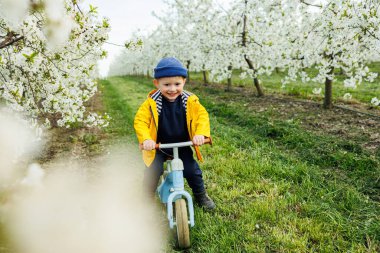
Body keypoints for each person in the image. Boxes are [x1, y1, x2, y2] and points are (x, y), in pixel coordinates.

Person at [134, 57, 215, 210]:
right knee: (153, 170)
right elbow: (141, 121)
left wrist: (200, 134)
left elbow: (201, 117)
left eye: (177, 84)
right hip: (158, 146)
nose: (172, 89)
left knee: (192, 171)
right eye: (166, 85)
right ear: (156, 84)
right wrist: (146, 139)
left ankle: (201, 195)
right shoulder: (151, 103)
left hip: (182, 144)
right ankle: (146, 198)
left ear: (184, 82)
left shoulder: (190, 101)